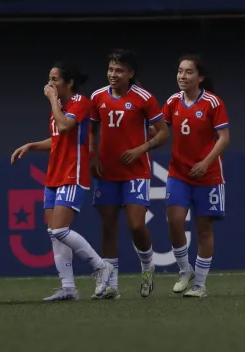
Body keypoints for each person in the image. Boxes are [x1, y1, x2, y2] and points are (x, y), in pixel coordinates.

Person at [11, 62, 113, 301]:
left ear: (69, 83)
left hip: (73, 173)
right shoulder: (61, 106)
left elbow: (65, 126)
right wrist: (32, 145)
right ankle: (68, 287)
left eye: (55, 79)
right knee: (52, 231)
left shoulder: (80, 102)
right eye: (49, 78)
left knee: (59, 229)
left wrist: (52, 100)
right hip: (54, 175)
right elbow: (57, 138)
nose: (50, 84)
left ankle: (101, 267)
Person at [90, 49, 169, 299]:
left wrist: (141, 149)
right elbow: (92, 130)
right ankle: (110, 285)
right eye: (111, 69)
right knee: (108, 228)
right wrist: (92, 155)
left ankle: (147, 267)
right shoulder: (98, 97)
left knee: (136, 225)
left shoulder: (144, 98)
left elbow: (163, 132)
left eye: (119, 70)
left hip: (136, 171)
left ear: (130, 74)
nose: (113, 74)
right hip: (107, 172)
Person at [161, 55, 229, 298]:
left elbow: (224, 138)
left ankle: (200, 285)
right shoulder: (172, 102)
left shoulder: (212, 103)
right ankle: (184, 270)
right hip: (179, 172)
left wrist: (206, 162)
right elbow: (160, 130)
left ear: (200, 77)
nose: (182, 76)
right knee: (175, 220)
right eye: (180, 71)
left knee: (203, 229)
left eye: (188, 72)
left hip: (208, 175)